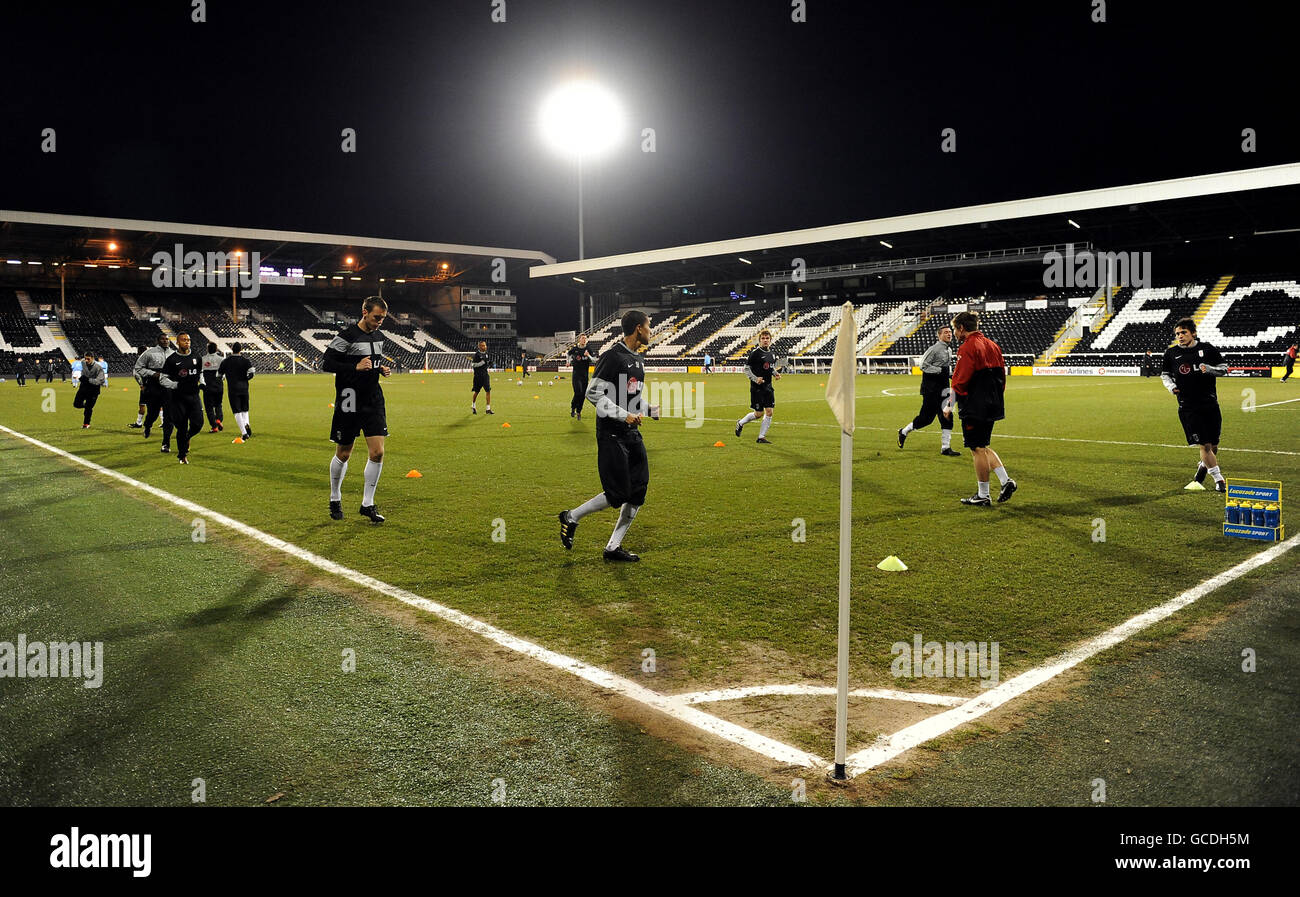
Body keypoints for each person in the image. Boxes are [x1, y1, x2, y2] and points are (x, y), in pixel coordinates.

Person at [558, 310, 658, 562]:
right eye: (649, 327)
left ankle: (613, 547)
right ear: (638, 329)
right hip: (612, 434)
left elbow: (630, 396)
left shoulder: (637, 358)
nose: (650, 331)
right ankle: (571, 516)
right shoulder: (612, 356)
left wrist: (647, 408)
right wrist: (624, 415)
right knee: (617, 494)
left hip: (631, 434)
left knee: (638, 491)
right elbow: (593, 393)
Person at [323, 296, 392, 523]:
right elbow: (327, 363)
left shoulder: (379, 336)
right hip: (349, 398)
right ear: (364, 312)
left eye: (382, 318)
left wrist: (379, 368)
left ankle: (367, 504)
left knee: (378, 452)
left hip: (372, 397)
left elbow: (369, 362)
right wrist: (354, 365)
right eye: (376, 317)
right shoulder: (347, 336)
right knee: (344, 453)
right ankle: (335, 497)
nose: (379, 322)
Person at [951, 311, 1016, 506]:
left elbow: (960, 380)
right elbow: (1002, 377)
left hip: (975, 404)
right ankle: (1006, 481)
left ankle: (983, 495)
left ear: (961, 328)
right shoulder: (993, 345)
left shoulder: (968, 347)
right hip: (993, 403)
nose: (954, 333)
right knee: (983, 445)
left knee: (976, 448)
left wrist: (949, 404)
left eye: (955, 328)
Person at [1161, 317, 1228, 492]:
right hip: (1188, 406)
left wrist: (1210, 369)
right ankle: (1219, 480)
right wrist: (1172, 387)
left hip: (1210, 403)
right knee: (1204, 444)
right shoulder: (1171, 353)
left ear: (1193, 333)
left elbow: (1224, 368)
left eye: (1183, 332)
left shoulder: (1207, 349)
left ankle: (1202, 468)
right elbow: (1165, 375)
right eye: (1177, 334)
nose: (1180, 336)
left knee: (1213, 445)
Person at [898, 325, 961, 457]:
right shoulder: (934, 349)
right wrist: (940, 371)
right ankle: (904, 431)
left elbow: (944, 367)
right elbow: (923, 365)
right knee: (926, 419)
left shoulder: (948, 349)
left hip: (945, 389)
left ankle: (945, 447)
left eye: (950, 332)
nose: (949, 334)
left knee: (947, 416)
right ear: (939, 335)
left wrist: (949, 375)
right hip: (931, 390)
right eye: (946, 332)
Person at [158, 333, 204, 464]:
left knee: (198, 424)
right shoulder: (172, 359)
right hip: (178, 398)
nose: (187, 342)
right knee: (182, 427)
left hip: (194, 396)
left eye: (188, 340)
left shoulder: (196, 357)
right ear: (177, 342)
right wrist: (175, 385)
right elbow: (163, 378)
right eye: (184, 340)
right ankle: (182, 455)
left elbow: (200, 372)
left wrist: (203, 382)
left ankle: (187, 437)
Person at [735, 329, 780, 444]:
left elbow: (770, 367)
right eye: (763, 339)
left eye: (767, 338)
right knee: (758, 414)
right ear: (759, 340)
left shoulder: (772, 354)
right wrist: (756, 379)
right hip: (757, 389)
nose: (765, 340)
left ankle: (761, 437)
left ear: (770, 340)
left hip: (768, 387)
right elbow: (746, 369)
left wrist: (775, 374)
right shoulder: (755, 353)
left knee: (769, 412)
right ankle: (740, 423)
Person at [133, 335, 172, 442]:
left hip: (168, 387)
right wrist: (153, 373)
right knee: (153, 413)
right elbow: (138, 368)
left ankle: (166, 442)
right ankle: (147, 426)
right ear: (158, 341)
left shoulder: (173, 353)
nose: (165, 341)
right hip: (154, 386)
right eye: (163, 339)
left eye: (167, 339)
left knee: (169, 415)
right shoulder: (148, 353)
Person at [218, 342, 255, 438]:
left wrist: (224, 378)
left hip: (233, 389)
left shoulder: (226, 361)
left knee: (236, 411)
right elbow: (252, 373)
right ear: (240, 349)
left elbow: (219, 375)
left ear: (231, 349)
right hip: (244, 388)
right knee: (245, 409)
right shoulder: (245, 360)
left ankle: (244, 433)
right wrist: (245, 379)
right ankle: (246, 423)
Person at [72, 352, 105, 427]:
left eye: (88, 359)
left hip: (93, 389)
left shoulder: (98, 367)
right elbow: (83, 372)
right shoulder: (83, 362)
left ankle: (86, 424)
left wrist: (88, 380)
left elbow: (100, 380)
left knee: (88, 408)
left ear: (92, 358)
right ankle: (86, 406)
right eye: (85, 358)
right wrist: (81, 377)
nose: (86, 360)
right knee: (76, 404)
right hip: (84, 387)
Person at [200, 342, 226, 432]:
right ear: (216, 349)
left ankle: (214, 426)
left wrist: (202, 383)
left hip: (208, 386)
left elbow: (200, 373)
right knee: (218, 404)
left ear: (207, 349)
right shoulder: (221, 359)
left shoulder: (203, 359)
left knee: (209, 407)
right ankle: (219, 419)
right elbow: (223, 374)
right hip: (218, 385)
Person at [568, 334, 593, 419]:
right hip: (576, 375)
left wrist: (588, 355)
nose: (584, 340)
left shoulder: (588, 349)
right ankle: (573, 407)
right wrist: (568, 361)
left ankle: (579, 411)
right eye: (582, 338)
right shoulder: (575, 349)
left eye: (585, 338)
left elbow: (594, 360)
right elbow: (568, 354)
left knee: (583, 395)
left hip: (585, 376)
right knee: (578, 392)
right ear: (579, 339)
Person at [471, 340, 493, 414]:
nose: (485, 347)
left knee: (488, 391)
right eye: (483, 345)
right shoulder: (476, 355)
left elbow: (485, 364)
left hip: (485, 375)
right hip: (478, 376)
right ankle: (473, 405)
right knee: (476, 392)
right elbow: (473, 365)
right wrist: (482, 363)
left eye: (485, 345)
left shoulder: (486, 354)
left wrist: (489, 364)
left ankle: (488, 409)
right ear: (479, 346)